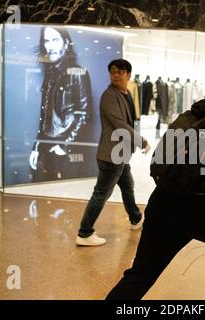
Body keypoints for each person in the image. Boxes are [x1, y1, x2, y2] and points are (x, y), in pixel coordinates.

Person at [106, 60, 205, 300]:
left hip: (162, 202)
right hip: (196, 209)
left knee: (140, 274)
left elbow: (202, 159)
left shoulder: (194, 114)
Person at [76, 59, 150, 247]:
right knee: (101, 194)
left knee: (127, 185)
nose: (116, 75)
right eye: (113, 72)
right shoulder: (110, 95)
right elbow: (120, 125)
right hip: (111, 155)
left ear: (128, 75)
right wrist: (141, 141)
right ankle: (84, 233)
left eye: (120, 72)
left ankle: (135, 218)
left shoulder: (125, 93)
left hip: (120, 153)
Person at [29, 26, 92, 182]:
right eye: (46, 41)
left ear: (65, 43)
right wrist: (36, 147)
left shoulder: (78, 73)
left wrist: (65, 146)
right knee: (43, 198)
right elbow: (44, 116)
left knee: (62, 201)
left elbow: (84, 116)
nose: (50, 46)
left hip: (64, 149)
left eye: (55, 40)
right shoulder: (50, 74)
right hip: (46, 146)